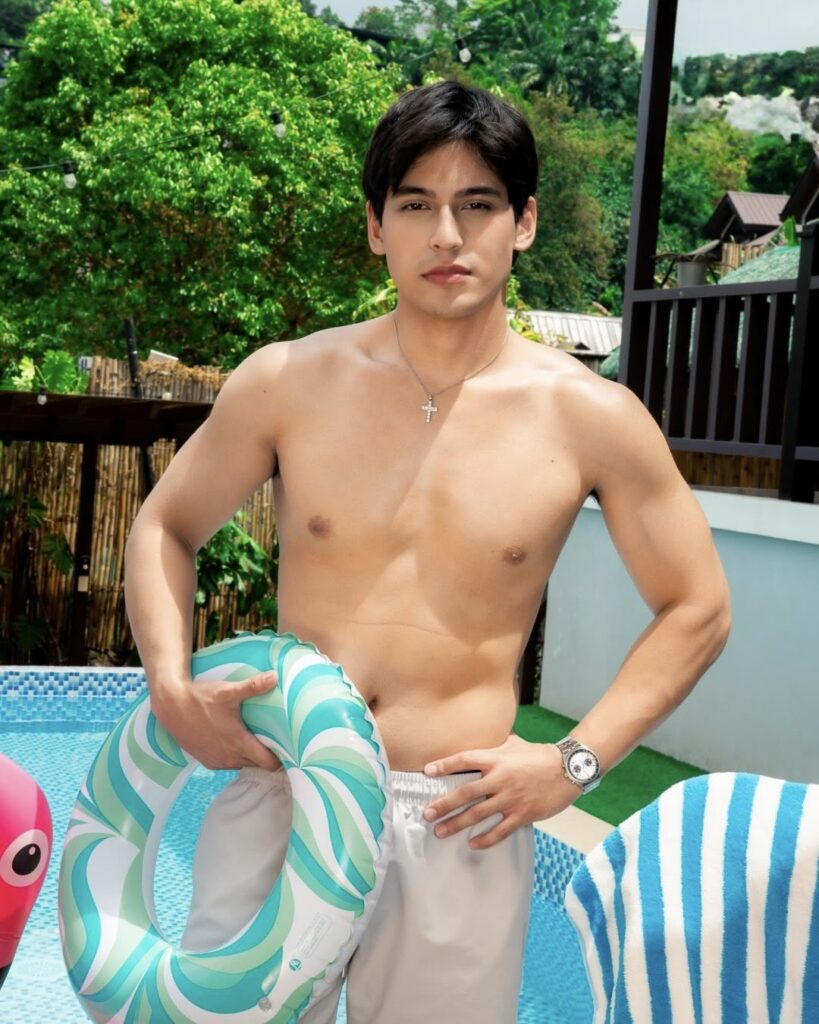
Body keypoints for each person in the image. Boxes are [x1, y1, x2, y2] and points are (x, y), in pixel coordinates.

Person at [123, 79, 731, 1023]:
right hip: (285, 786)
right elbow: (165, 526)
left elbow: (698, 607)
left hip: (455, 817)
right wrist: (169, 686)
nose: (447, 236)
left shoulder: (589, 417)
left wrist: (572, 763)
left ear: (523, 223)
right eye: (416, 205)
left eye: (477, 204)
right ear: (377, 226)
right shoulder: (288, 380)